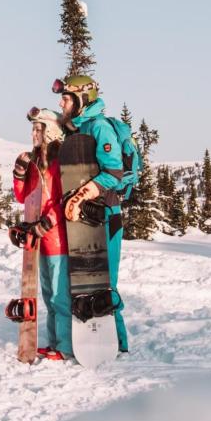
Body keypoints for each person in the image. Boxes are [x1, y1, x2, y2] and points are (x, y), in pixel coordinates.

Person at [53, 74, 130, 354]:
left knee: (105, 280)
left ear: (82, 99)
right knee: (85, 279)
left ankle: (118, 343)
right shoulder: (76, 131)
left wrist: (83, 195)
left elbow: (114, 172)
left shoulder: (99, 128)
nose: (62, 104)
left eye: (66, 98)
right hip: (84, 218)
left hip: (107, 214)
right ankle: (87, 341)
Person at [11, 108, 73, 361]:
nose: (34, 133)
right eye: (33, 129)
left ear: (51, 132)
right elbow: (23, 196)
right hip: (38, 238)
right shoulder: (36, 161)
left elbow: (65, 199)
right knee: (48, 294)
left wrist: (49, 221)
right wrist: (19, 173)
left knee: (60, 295)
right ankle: (54, 342)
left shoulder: (59, 164)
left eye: (39, 129)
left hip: (57, 238)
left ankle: (66, 346)